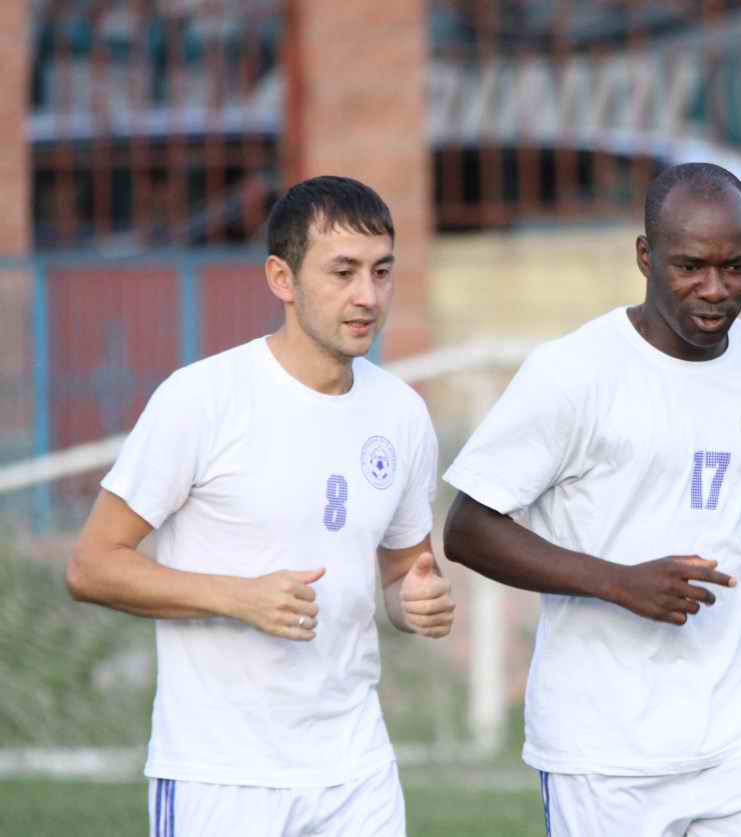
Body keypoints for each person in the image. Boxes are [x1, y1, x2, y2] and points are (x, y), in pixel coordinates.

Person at [442, 162, 741, 836]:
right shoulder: (573, 373)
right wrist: (617, 582)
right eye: (690, 267)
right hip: (604, 747)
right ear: (645, 256)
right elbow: (469, 528)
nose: (716, 289)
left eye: (735, 266)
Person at [67, 175, 455, 837]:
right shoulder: (202, 398)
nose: (367, 295)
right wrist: (239, 597)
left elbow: (403, 573)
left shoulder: (402, 414)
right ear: (282, 278)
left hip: (356, 768)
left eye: (381, 271)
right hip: (221, 772)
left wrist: (415, 602)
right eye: (343, 272)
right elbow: (91, 566)